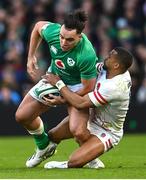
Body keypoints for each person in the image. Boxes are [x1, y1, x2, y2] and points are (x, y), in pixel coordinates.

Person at [15, 9, 98, 168]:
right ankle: (44, 145)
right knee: (22, 116)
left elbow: (88, 87)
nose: (63, 42)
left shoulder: (86, 54)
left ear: (79, 37)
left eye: (69, 40)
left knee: (78, 131)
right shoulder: (55, 33)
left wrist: (64, 98)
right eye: (61, 37)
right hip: (55, 78)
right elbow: (38, 27)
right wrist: (31, 56)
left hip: (77, 87)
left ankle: (89, 156)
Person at [41, 47, 133, 168]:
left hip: (107, 131)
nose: (106, 57)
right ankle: (89, 156)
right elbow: (88, 70)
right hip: (91, 117)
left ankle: (86, 158)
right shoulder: (110, 70)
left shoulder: (114, 87)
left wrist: (58, 83)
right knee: (53, 135)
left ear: (116, 65)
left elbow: (80, 103)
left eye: (110, 57)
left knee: (74, 161)